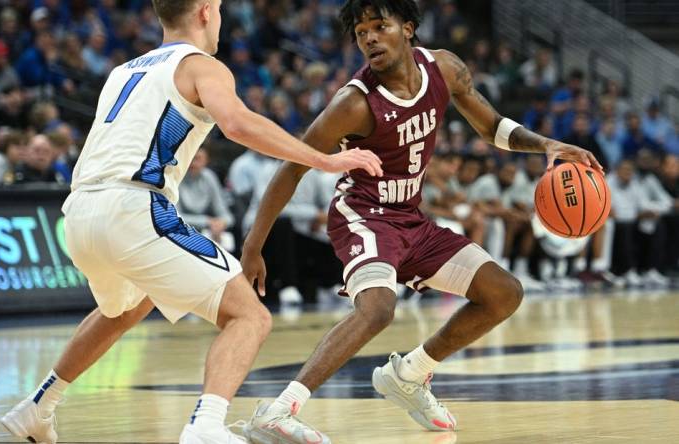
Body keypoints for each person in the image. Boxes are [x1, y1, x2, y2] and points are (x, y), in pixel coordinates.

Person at [0, 1, 382, 444]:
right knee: (250, 317)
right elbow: (237, 124)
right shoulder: (202, 65)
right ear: (204, 11)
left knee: (125, 307)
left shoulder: (122, 70)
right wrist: (323, 159)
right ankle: (206, 426)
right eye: (218, 8)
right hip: (134, 207)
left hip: (79, 214)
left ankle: (38, 406)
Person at [240, 1, 602, 442]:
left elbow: (492, 128)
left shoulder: (445, 69)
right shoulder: (353, 103)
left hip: (411, 218)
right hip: (364, 215)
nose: (370, 38)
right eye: (361, 33)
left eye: (380, 26)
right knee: (377, 309)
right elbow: (291, 167)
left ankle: (409, 374)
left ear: (408, 28)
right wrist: (254, 245)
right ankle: (277, 412)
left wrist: (546, 144)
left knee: (503, 293)